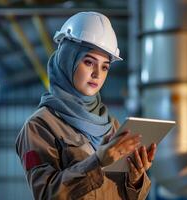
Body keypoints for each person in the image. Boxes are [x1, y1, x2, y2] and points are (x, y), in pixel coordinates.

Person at [15, 11, 157, 200]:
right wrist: (98, 162)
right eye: (89, 62)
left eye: (105, 66)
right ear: (67, 60)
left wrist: (135, 178)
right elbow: (46, 194)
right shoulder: (39, 126)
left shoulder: (112, 125)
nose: (97, 74)